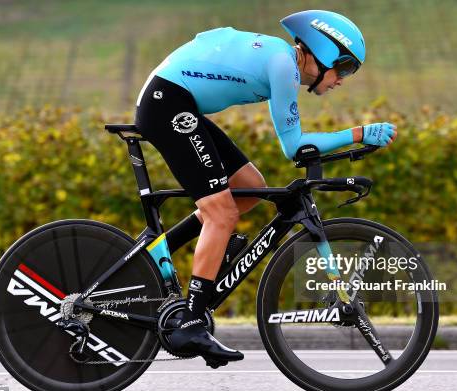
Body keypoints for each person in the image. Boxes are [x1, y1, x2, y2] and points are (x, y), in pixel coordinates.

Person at [134, 10, 397, 367]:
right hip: (168, 103)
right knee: (222, 213)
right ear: (322, 52)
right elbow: (295, 147)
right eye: (345, 69)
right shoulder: (282, 66)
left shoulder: (280, 60)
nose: (342, 80)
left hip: (176, 101)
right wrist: (359, 134)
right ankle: (191, 321)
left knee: (251, 188)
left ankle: (155, 254)